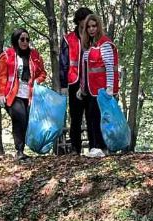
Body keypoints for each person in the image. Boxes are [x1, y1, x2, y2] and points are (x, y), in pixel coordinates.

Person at [0, 28, 48, 161]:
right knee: (20, 118)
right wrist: (1, 94)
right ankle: (19, 150)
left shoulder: (35, 55)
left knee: (26, 121)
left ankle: (22, 150)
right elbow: (1, 76)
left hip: (30, 94)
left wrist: (37, 80)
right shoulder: (7, 55)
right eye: (22, 39)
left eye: (27, 39)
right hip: (12, 94)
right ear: (16, 40)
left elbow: (43, 73)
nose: (25, 42)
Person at [78, 14, 118, 158]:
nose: (91, 29)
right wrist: (81, 88)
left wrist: (110, 88)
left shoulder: (105, 44)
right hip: (90, 90)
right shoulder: (89, 46)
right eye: (88, 27)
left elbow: (109, 67)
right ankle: (96, 146)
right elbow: (85, 70)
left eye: (94, 26)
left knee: (99, 117)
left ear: (98, 26)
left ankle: (102, 147)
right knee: (91, 117)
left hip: (101, 90)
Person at [59, 6, 93, 155]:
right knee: (76, 117)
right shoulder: (69, 39)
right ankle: (75, 148)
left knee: (93, 115)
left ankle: (95, 146)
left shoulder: (94, 38)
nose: (86, 25)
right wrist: (63, 84)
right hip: (74, 82)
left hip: (92, 83)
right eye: (83, 22)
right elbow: (63, 62)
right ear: (78, 22)